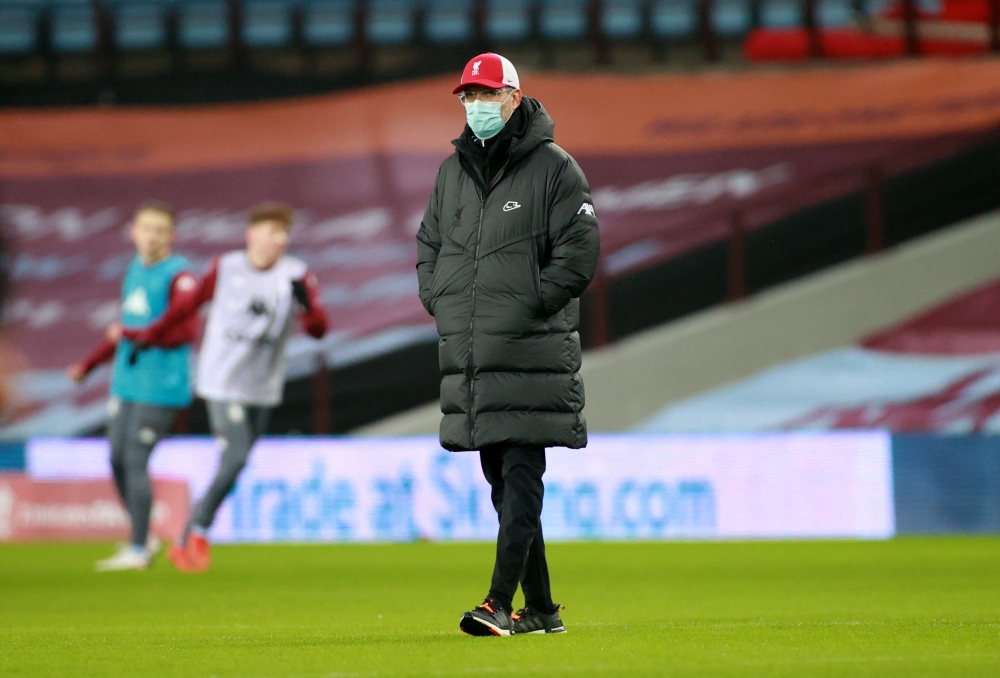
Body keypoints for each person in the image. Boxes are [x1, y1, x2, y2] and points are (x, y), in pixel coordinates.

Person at [416, 53, 601, 636]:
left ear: (514, 98)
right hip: (475, 355)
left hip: (529, 351)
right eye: (468, 96)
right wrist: (442, 299)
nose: (476, 106)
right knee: (505, 487)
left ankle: (498, 602)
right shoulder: (452, 171)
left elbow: (579, 252)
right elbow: (429, 245)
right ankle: (541, 608)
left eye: (487, 95)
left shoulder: (555, 168)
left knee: (519, 479)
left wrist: (526, 305)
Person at [123, 201, 328, 573]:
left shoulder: (296, 274)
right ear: (252, 234)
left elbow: (318, 330)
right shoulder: (226, 266)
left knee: (239, 460)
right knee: (236, 456)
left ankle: (189, 533)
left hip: (262, 386)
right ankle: (195, 533)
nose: (279, 240)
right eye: (272, 231)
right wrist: (149, 335)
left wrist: (309, 309)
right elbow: (187, 306)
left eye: (283, 233)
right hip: (221, 381)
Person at [68, 200, 199, 571]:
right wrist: (89, 364)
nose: (152, 236)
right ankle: (144, 533)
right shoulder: (135, 269)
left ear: (171, 235)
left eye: (160, 230)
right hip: (126, 384)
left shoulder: (180, 276)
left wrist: (132, 334)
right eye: (146, 228)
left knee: (135, 459)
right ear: (133, 232)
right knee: (116, 459)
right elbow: (125, 330)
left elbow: (186, 332)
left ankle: (139, 549)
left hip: (160, 386)